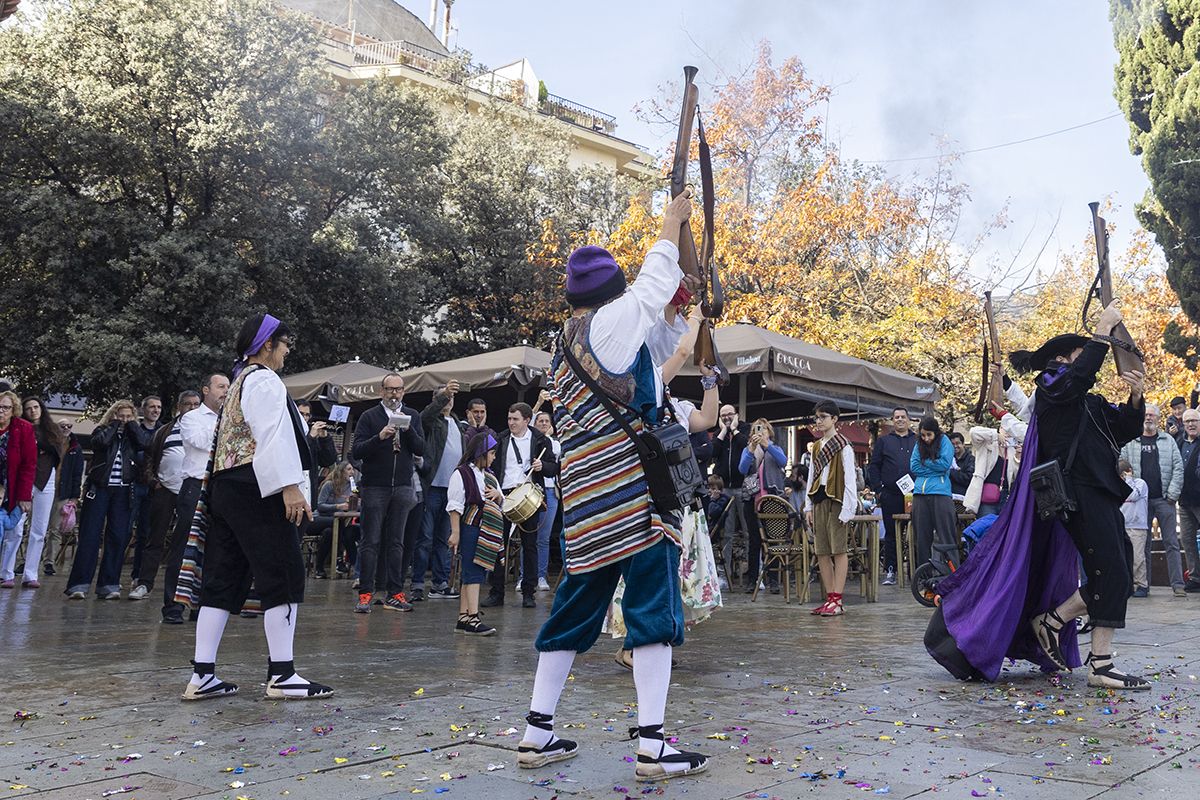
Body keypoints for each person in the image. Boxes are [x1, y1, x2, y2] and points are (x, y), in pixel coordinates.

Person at [518, 189, 709, 782]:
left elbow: (655, 327)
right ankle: (652, 744)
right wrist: (671, 225)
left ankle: (536, 732)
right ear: (609, 292)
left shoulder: (566, 339)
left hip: (585, 503)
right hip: (633, 499)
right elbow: (653, 286)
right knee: (654, 610)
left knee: (573, 611)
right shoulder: (611, 322)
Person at [929, 303, 1149, 690]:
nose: (1090, 356)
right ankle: (1099, 663)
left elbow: (1124, 429)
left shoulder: (1089, 400)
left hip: (1102, 492)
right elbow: (1075, 380)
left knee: (1118, 571)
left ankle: (1055, 623)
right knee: (1108, 570)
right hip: (1077, 495)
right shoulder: (1052, 385)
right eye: (1083, 351)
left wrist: (1135, 399)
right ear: (1064, 358)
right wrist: (1102, 329)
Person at [181, 313, 331, 701]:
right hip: (257, 485)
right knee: (283, 570)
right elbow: (272, 436)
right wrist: (289, 488)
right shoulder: (263, 379)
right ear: (268, 346)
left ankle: (202, 674)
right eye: (283, 345)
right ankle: (282, 674)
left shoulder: (238, 382)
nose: (285, 353)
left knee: (223, 576)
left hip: (228, 485)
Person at [350, 373, 425, 614]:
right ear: (382, 391)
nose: (394, 394)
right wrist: (380, 437)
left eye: (399, 390)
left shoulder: (412, 415)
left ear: (404, 392)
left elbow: (421, 448)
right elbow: (357, 451)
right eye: (390, 390)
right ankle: (365, 593)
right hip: (375, 486)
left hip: (402, 485)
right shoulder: (370, 416)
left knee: (397, 542)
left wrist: (409, 428)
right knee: (370, 541)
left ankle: (395, 592)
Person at [162, 374, 229, 623]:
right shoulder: (191, 417)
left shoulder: (229, 418)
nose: (225, 391)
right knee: (184, 546)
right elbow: (200, 442)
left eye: (228, 388)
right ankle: (173, 606)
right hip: (194, 485)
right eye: (221, 387)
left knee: (213, 548)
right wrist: (226, 428)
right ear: (206, 390)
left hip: (219, 487)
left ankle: (201, 604)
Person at [64, 400, 143, 599]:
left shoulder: (133, 435)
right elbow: (99, 443)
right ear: (113, 415)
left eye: (128, 416)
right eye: (120, 416)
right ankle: (78, 585)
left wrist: (132, 426)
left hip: (123, 491)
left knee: (117, 537)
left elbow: (145, 444)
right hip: (99, 488)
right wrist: (114, 425)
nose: (124, 420)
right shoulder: (102, 430)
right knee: (90, 535)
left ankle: (109, 584)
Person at [483, 402, 558, 609]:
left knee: (530, 544)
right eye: (509, 419)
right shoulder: (500, 438)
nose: (511, 423)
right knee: (498, 543)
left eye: (515, 419)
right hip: (502, 494)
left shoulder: (541, 440)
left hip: (528, 495)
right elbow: (486, 462)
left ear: (527, 420)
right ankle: (496, 591)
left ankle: (528, 592)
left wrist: (543, 466)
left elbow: (554, 467)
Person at [131, 391, 201, 600]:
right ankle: (145, 583)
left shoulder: (206, 428)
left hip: (192, 490)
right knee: (155, 537)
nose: (192, 407)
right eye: (187, 404)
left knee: (186, 540)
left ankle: (183, 586)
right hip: (165, 489)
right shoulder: (165, 430)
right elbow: (150, 457)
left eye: (196, 404)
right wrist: (153, 481)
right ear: (179, 407)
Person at [1119, 403, 1185, 597]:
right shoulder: (1131, 441)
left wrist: (1172, 494)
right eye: (1146, 415)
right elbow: (1121, 466)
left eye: (1152, 415)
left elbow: (1178, 467)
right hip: (1139, 503)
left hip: (1164, 500)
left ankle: (1178, 585)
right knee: (1142, 545)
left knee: (1171, 542)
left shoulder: (1168, 440)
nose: (1148, 418)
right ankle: (1143, 585)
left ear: (1158, 418)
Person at [1, 396, 64, 587]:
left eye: (36, 407)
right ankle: (7, 572)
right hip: (21, 482)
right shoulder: (20, 429)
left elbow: (56, 453)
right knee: (16, 528)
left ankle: (31, 573)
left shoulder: (50, 430)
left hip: (46, 480)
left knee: (39, 530)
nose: (33, 411)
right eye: (29, 408)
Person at [803, 400, 858, 617]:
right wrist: (807, 506)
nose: (819, 421)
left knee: (839, 550)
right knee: (822, 551)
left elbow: (850, 479)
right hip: (818, 499)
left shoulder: (844, 445)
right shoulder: (816, 446)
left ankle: (838, 598)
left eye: (823, 417)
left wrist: (848, 509)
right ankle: (829, 598)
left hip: (837, 500)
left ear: (835, 419)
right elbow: (811, 477)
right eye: (817, 417)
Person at [448, 430, 503, 636]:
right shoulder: (461, 473)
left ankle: (463, 617)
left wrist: (498, 494)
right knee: (473, 572)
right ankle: (473, 618)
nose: (494, 457)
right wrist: (455, 533)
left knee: (474, 572)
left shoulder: (489, 476)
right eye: (492, 453)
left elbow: (501, 500)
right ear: (482, 452)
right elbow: (454, 505)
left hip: (486, 529)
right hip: (471, 527)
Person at [415, 380, 464, 601]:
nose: (448, 401)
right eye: (444, 397)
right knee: (424, 537)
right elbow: (425, 415)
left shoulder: (457, 423)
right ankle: (417, 583)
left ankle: (440, 583)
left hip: (451, 490)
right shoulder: (431, 421)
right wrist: (443, 394)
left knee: (444, 539)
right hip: (432, 486)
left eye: (451, 397)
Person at [865, 408, 916, 585]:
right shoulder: (883, 441)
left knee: (915, 533)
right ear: (892, 421)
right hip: (890, 495)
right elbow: (874, 466)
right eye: (896, 417)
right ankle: (891, 570)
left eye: (903, 417)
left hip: (914, 495)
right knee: (892, 534)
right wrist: (879, 490)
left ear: (909, 420)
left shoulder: (917, 440)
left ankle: (915, 571)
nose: (900, 420)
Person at [738, 418, 786, 594]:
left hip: (772, 500)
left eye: (764, 429)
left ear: (769, 432)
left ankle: (773, 580)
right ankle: (752, 580)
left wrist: (767, 446)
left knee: (772, 538)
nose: (760, 433)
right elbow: (742, 469)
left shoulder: (775, 448)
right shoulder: (747, 449)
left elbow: (783, 461)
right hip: (752, 499)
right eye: (757, 429)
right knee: (754, 540)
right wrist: (751, 450)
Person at [712, 405, 752, 588]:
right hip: (724, 489)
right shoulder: (718, 433)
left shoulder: (745, 429)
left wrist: (734, 430)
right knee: (726, 534)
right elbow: (713, 452)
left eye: (729, 414)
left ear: (736, 415)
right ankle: (726, 576)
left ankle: (753, 574)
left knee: (747, 531)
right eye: (723, 415)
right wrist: (722, 432)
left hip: (742, 487)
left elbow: (745, 446)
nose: (726, 418)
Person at [909, 415, 957, 567]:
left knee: (946, 537)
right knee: (922, 540)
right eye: (923, 435)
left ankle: (953, 575)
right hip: (919, 496)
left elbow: (944, 465)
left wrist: (925, 462)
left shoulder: (945, 442)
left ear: (936, 432)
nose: (926, 438)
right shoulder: (919, 445)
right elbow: (914, 467)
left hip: (941, 495)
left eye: (929, 435)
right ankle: (924, 578)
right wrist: (933, 467)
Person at [964, 404, 1027, 517]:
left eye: (1010, 431)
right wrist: (996, 436)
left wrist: (1018, 457)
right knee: (986, 527)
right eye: (1005, 430)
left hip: (1005, 497)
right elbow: (973, 432)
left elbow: (1016, 477)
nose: (1008, 433)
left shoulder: (1012, 449)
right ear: (1000, 429)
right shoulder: (987, 444)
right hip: (986, 497)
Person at [0, 391, 35, 588]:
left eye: (5, 407)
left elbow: (28, 465)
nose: (1, 411)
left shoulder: (24, 429)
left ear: (13, 410)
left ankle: (7, 573)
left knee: (14, 531)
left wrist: (24, 496)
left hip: (11, 489)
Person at [128, 396, 163, 588]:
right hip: (134, 483)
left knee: (145, 533)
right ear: (143, 410)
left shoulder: (163, 431)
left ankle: (138, 575)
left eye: (158, 407)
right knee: (124, 530)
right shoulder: (134, 430)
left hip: (153, 487)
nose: (155, 410)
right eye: (152, 407)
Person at [44, 419, 84, 575]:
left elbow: (77, 474)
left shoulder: (75, 448)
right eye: (63, 426)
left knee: (55, 529)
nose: (66, 428)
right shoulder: (48, 443)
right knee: (37, 528)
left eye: (69, 426)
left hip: (62, 493)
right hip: (44, 488)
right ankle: (28, 561)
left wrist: (74, 497)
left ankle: (49, 562)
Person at [312, 461, 360, 578]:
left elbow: (356, 505)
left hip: (337, 523)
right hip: (321, 518)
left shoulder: (352, 487)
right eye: (348, 469)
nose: (352, 472)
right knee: (339, 527)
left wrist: (356, 503)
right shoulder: (329, 485)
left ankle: (320, 568)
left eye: (352, 470)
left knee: (330, 533)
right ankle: (340, 560)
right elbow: (320, 505)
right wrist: (338, 506)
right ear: (341, 471)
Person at [533, 408, 562, 592]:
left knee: (543, 537)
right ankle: (524, 576)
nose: (543, 423)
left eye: (546, 421)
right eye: (540, 421)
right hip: (534, 490)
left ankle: (541, 576)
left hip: (551, 491)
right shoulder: (530, 441)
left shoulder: (556, 444)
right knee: (530, 536)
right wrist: (539, 403)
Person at [296, 401, 338, 513]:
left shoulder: (312, 436)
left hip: (308, 492)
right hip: (293, 491)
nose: (304, 418)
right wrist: (310, 437)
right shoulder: (289, 432)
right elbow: (299, 456)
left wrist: (325, 438)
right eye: (301, 414)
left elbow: (327, 461)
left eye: (307, 415)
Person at [1119, 458, 1150, 597]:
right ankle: (1128, 585)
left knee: (1138, 557)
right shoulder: (1118, 485)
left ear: (1129, 472)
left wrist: (1129, 479)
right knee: (1124, 558)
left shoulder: (1140, 483)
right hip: (1123, 524)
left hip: (1137, 526)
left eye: (1122, 475)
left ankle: (1141, 584)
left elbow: (1132, 495)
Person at [1177, 409, 1200, 592]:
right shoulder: (1179, 442)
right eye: (1187, 422)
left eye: (1194, 420)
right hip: (1184, 501)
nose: (1191, 424)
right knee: (1187, 540)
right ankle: (1195, 577)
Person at [947, 432, 974, 496]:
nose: (955, 446)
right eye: (952, 444)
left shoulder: (971, 459)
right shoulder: (948, 458)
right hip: (948, 495)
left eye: (957, 443)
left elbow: (968, 479)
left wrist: (950, 471)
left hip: (963, 497)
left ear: (963, 444)